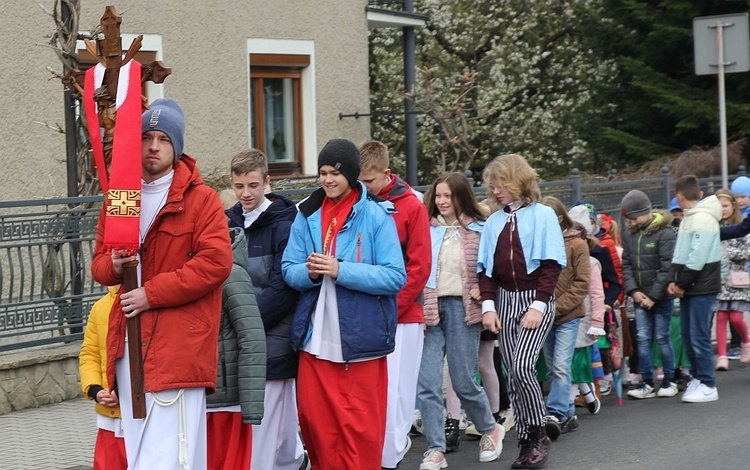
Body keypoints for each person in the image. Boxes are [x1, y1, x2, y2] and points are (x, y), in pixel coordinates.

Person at [91, 98, 233, 469]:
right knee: (140, 454)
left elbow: (215, 263)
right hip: (127, 345)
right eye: (146, 137)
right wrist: (115, 262)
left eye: (164, 139)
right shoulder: (121, 198)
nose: (153, 146)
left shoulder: (202, 200)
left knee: (174, 455)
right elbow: (99, 267)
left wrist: (151, 294)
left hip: (178, 346)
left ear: (178, 146)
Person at [281, 138, 406, 470]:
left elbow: (395, 276)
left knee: (359, 429)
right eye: (322, 172)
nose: (327, 180)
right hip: (314, 340)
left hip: (360, 340)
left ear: (350, 174)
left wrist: (340, 270)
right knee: (315, 424)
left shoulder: (377, 215)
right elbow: (288, 269)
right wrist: (307, 273)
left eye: (335, 173)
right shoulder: (305, 212)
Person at [479, 154, 566, 469]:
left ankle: (537, 433)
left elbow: (551, 264)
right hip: (505, 299)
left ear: (517, 180)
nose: (495, 189)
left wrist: (539, 304)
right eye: (493, 183)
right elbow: (485, 271)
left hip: (535, 300)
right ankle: (527, 439)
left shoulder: (542, 215)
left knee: (522, 367)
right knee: (512, 375)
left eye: (501, 182)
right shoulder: (493, 221)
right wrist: (488, 306)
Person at [225, 149, 308, 470]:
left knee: (267, 425)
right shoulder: (228, 221)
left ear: (267, 182)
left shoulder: (285, 225)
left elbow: (283, 286)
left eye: (253, 185)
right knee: (279, 423)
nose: (246, 194)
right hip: (246, 334)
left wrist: (246, 323)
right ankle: (295, 462)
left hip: (272, 335)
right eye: (239, 186)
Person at [416, 172, 505, 470]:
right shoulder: (426, 229)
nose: (441, 201)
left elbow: (491, 268)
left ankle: (489, 427)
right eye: (437, 196)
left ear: (460, 197)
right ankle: (435, 449)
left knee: (464, 380)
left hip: (463, 309)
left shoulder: (479, 229)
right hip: (430, 309)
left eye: (447, 196)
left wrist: (482, 288)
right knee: (426, 383)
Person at [357, 141, 432, 469]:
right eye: (359, 181)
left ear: (386, 174)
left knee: (398, 394)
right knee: (371, 395)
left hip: (402, 316)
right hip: (364, 315)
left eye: (369, 181)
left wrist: (391, 307)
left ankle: (391, 458)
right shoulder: (358, 204)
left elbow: (419, 267)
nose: (364, 188)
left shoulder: (412, 207)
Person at [205, 227, 267, 470]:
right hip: (197, 395)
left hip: (225, 403)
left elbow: (251, 337)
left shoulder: (231, 273)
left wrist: (251, 407)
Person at [538, 196, 590, 440]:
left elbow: (582, 284)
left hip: (568, 316)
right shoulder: (537, 244)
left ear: (559, 219)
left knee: (560, 365)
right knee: (552, 368)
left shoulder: (577, 245)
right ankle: (569, 414)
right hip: (544, 316)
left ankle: (555, 412)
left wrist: (555, 308)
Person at [667, 175, 722, 403]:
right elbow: (680, 254)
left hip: (701, 286)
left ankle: (708, 384)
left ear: (679, 196)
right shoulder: (689, 218)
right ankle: (699, 378)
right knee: (690, 336)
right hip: (691, 286)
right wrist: (674, 280)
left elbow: (696, 258)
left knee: (698, 336)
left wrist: (679, 283)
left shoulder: (702, 219)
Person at [619, 190, 678, 399]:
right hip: (640, 297)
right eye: (629, 218)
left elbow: (667, 268)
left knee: (662, 337)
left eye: (634, 217)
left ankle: (670, 379)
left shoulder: (665, 233)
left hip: (660, 297)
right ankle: (646, 382)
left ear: (645, 212)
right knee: (642, 339)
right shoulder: (629, 233)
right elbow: (626, 264)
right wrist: (634, 292)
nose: (631, 222)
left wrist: (653, 296)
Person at [79, 286, 127, 470]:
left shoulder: (154, 304)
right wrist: (95, 389)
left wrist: (124, 393)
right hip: (111, 419)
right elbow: (90, 354)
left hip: (147, 415)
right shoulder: (100, 307)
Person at [713, 189, 750, 370]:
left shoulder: (742, 225)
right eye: (719, 206)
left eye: (726, 206)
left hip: (738, 279)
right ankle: (722, 356)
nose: (723, 209)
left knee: (736, 318)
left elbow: (746, 252)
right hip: (719, 279)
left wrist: (727, 252)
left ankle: (746, 340)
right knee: (720, 317)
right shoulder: (713, 226)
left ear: (733, 206)